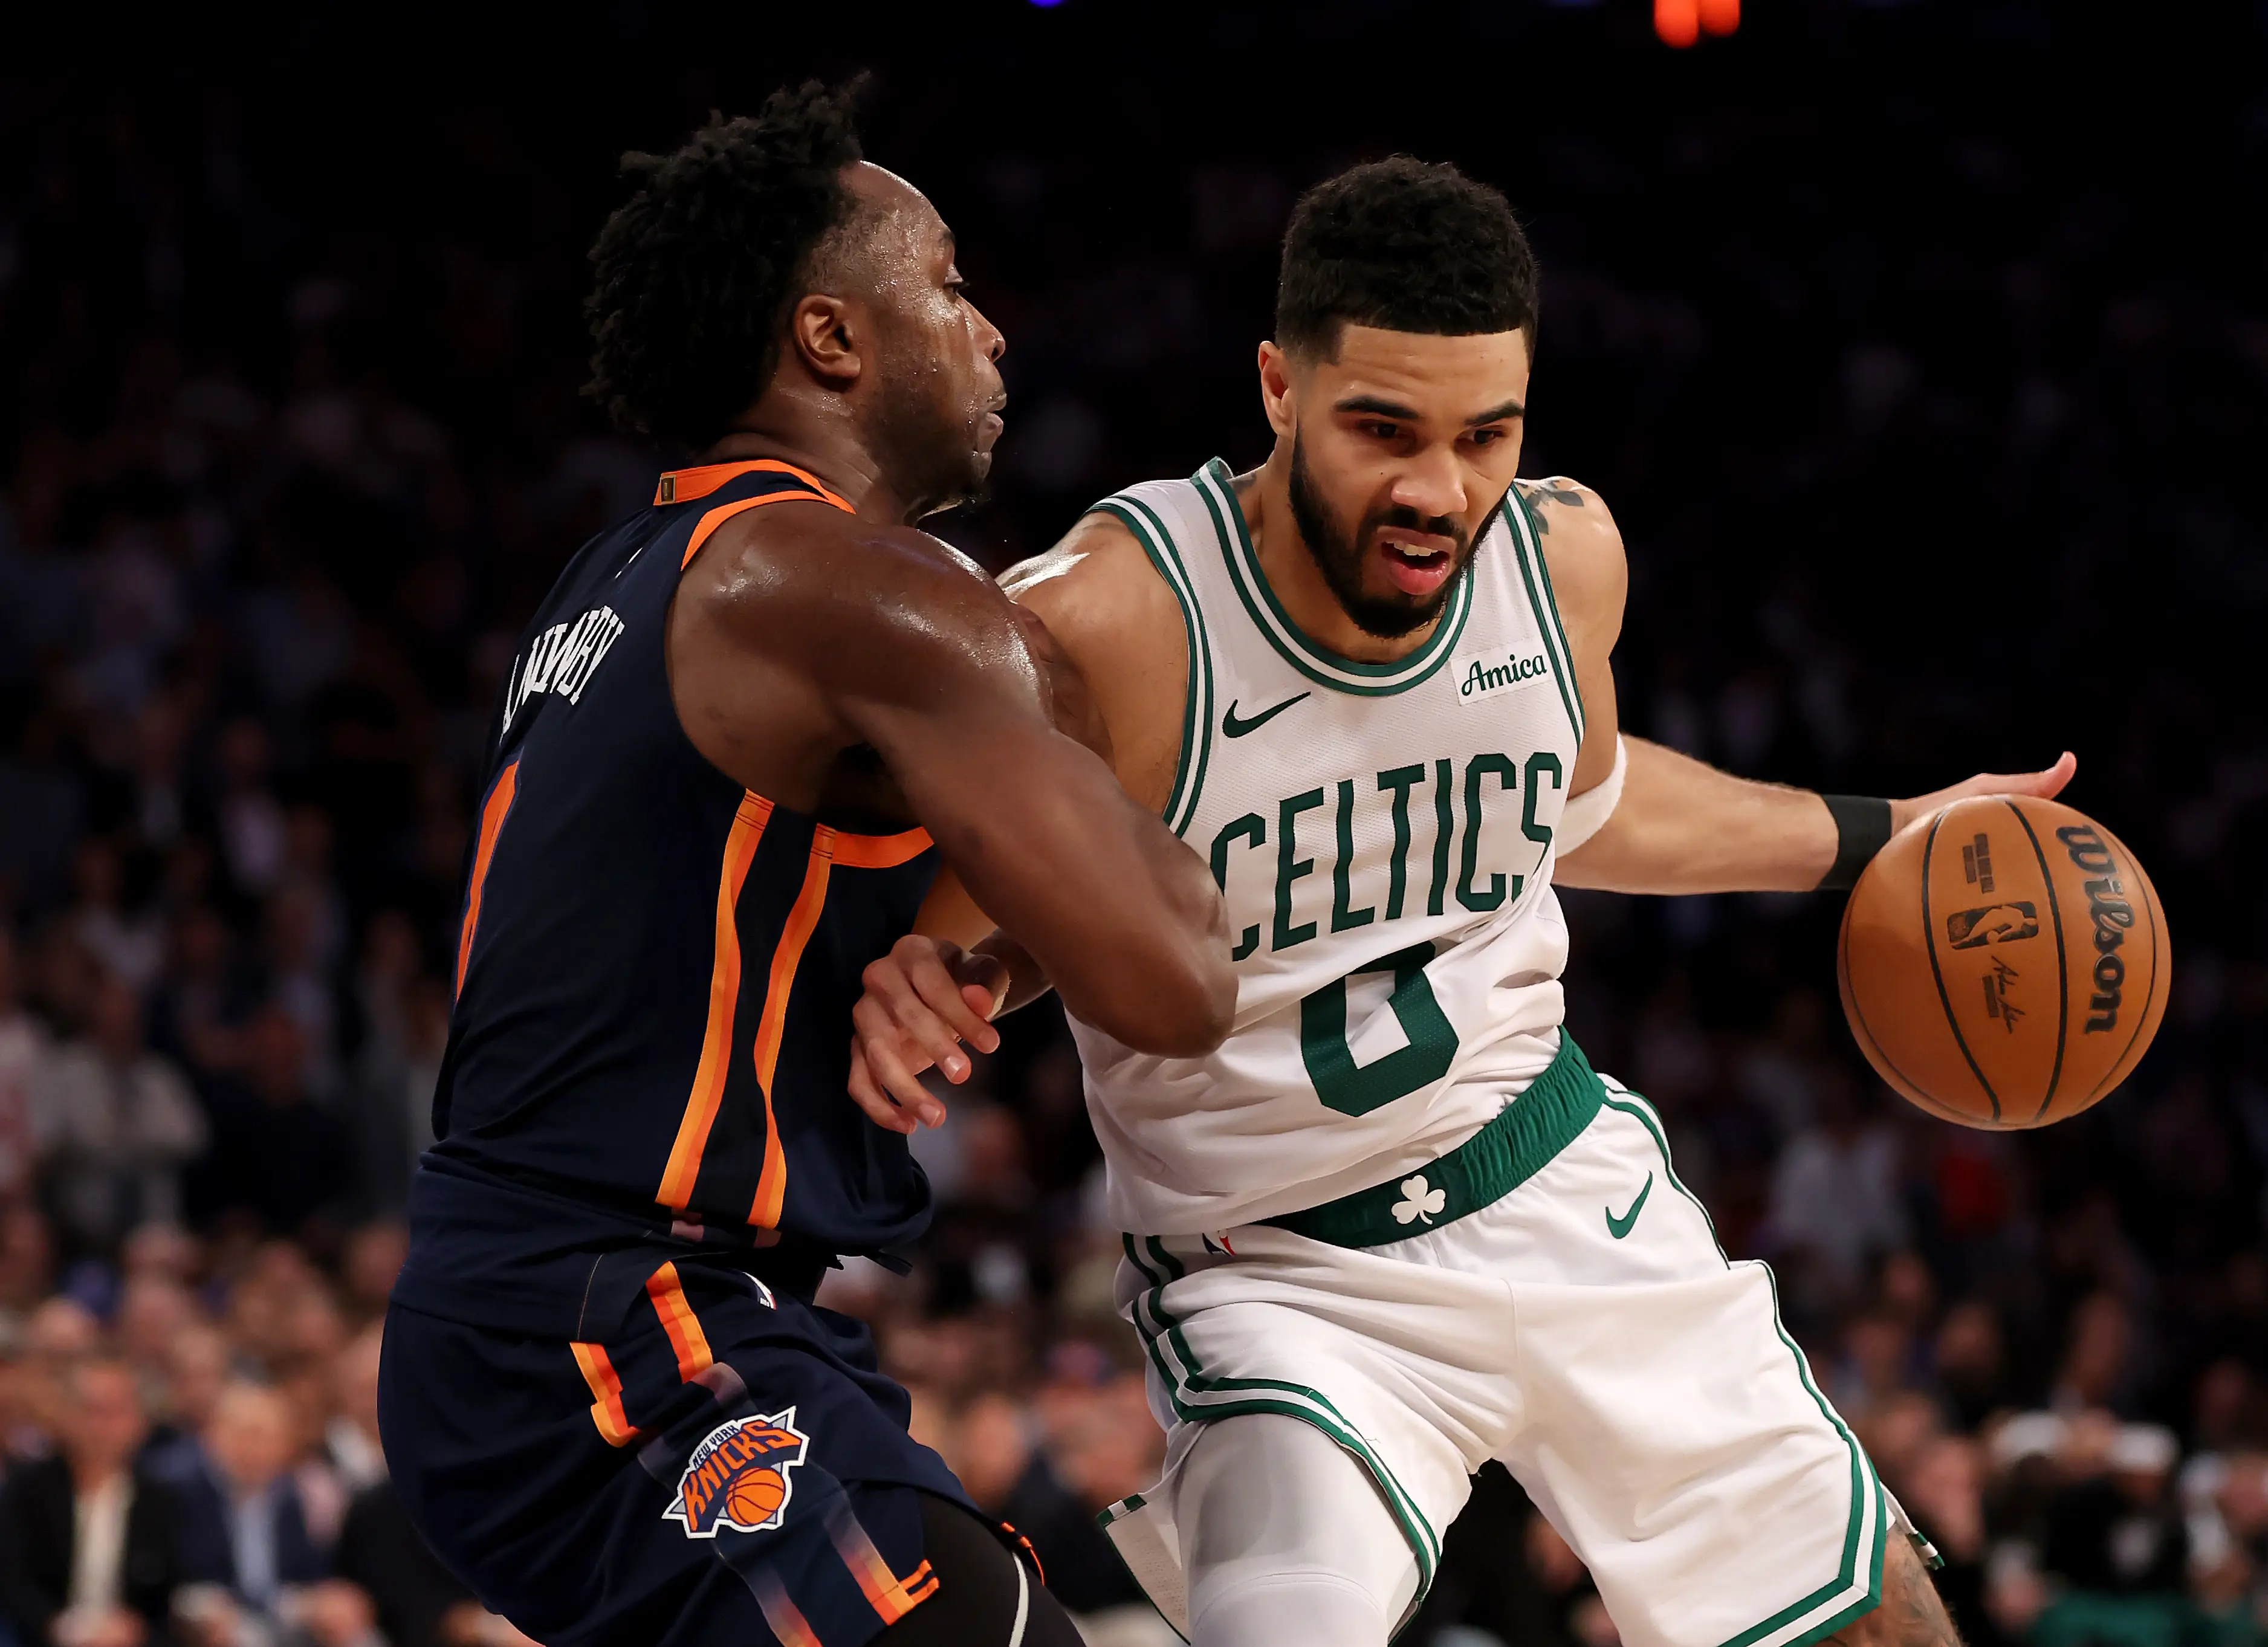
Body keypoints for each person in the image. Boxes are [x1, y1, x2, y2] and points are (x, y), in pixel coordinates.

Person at [846, 157, 2080, 1647]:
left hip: (1554, 1182)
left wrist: (1877, 835)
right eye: (1385, 430)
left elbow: (1593, 805)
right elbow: (972, 926)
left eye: (1486, 434)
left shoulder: (1561, 559)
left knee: (1883, 1626)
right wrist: (930, 980)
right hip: (1278, 1279)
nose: (1442, 490)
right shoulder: (1112, 618)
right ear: (1278, 390)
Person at [375, 81, 1233, 1647]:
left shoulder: (628, 570)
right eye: (950, 285)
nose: (990, 332)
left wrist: (971, 950)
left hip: (561, 1304)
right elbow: (1175, 973)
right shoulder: (850, 587)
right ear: (834, 341)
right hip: (611, 1312)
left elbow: (961, 889)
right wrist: (1072, 692)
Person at [0, 1356, 189, 1647]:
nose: (103, 1427)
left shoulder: (160, 1500)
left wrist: (135, 1630)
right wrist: (59, 1626)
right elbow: (14, 1582)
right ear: (65, 1414)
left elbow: (171, 1595)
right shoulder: (27, 1489)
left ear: (139, 1421)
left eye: (117, 1412)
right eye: (92, 1411)